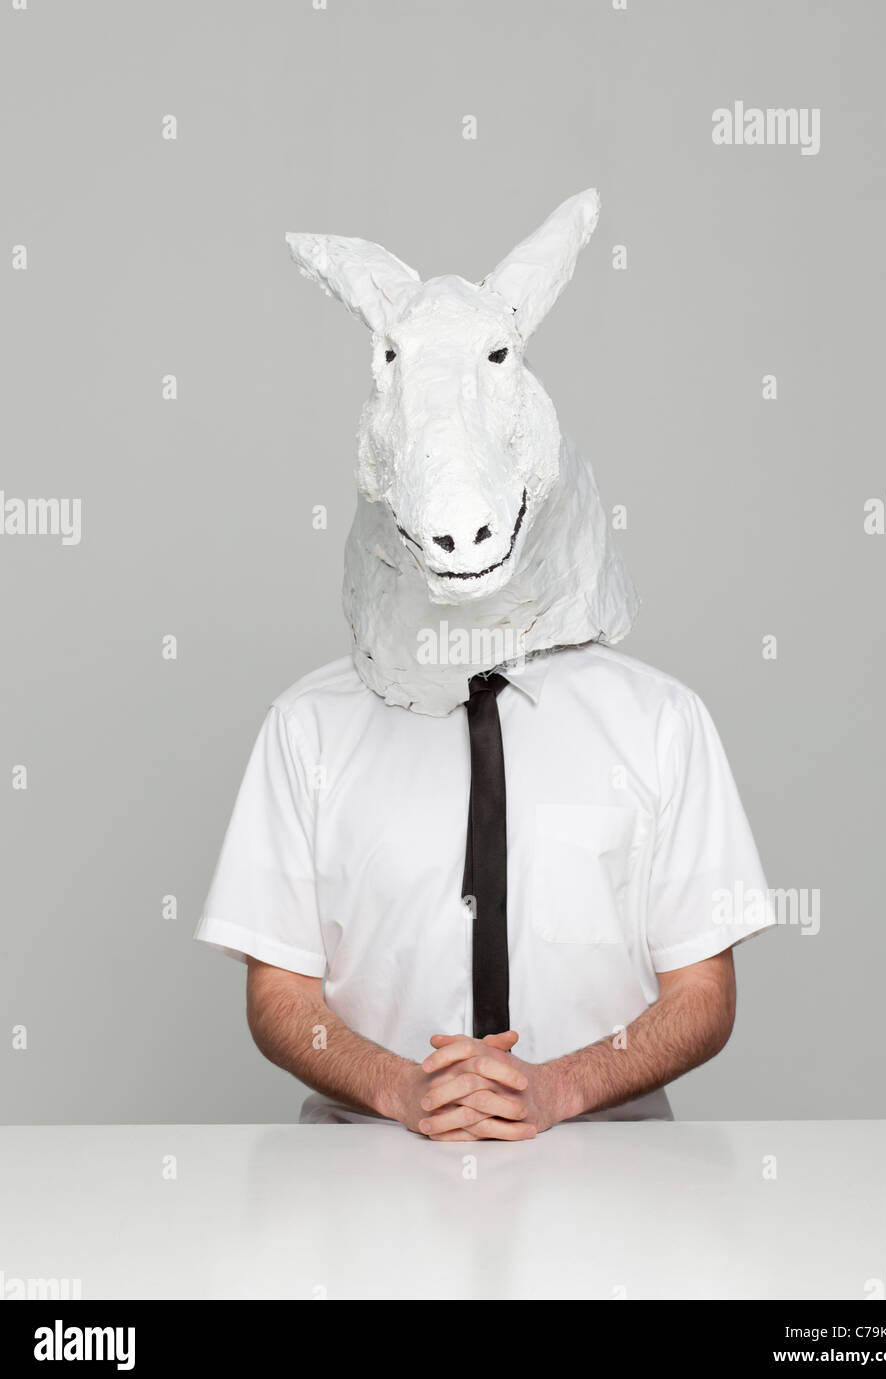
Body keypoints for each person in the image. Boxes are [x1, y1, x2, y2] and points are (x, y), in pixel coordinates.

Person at [194, 190, 776, 1140]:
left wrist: (559, 1091)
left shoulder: (661, 725)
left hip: (617, 1201)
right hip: (359, 1200)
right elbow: (280, 994)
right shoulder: (308, 730)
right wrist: (398, 1091)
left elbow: (704, 992)